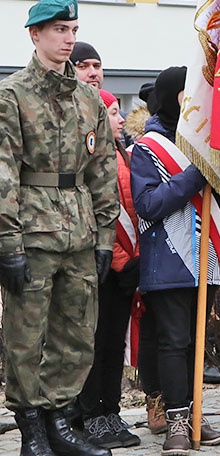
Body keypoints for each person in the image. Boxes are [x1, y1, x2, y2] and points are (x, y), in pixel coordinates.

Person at [0, 0, 118, 456]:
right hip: (32, 232)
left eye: (72, 30)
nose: (68, 39)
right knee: (26, 336)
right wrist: (7, 241)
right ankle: (32, 430)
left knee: (76, 333)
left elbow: (103, 169)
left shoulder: (88, 97)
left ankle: (59, 423)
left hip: (80, 232)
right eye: (58, 31)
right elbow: (4, 171)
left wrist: (106, 236)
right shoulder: (13, 95)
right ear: (35, 35)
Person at [130, 67, 220, 455]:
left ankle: (195, 411)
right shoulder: (148, 148)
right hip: (168, 259)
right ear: (174, 97)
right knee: (173, 342)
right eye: (191, 94)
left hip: (208, 255)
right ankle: (176, 420)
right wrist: (194, 175)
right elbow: (148, 204)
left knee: (194, 344)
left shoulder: (205, 141)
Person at [78, 90, 142, 449]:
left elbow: (133, 209)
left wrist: (134, 259)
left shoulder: (122, 153)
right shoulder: (88, 154)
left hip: (125, 266)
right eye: (113, 112)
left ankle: (111, 410)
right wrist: (120, 259)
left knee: (114, 342)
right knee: (94, 343)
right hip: (99, 264)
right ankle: (90, 415)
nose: (120, 119)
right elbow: (98, 212)